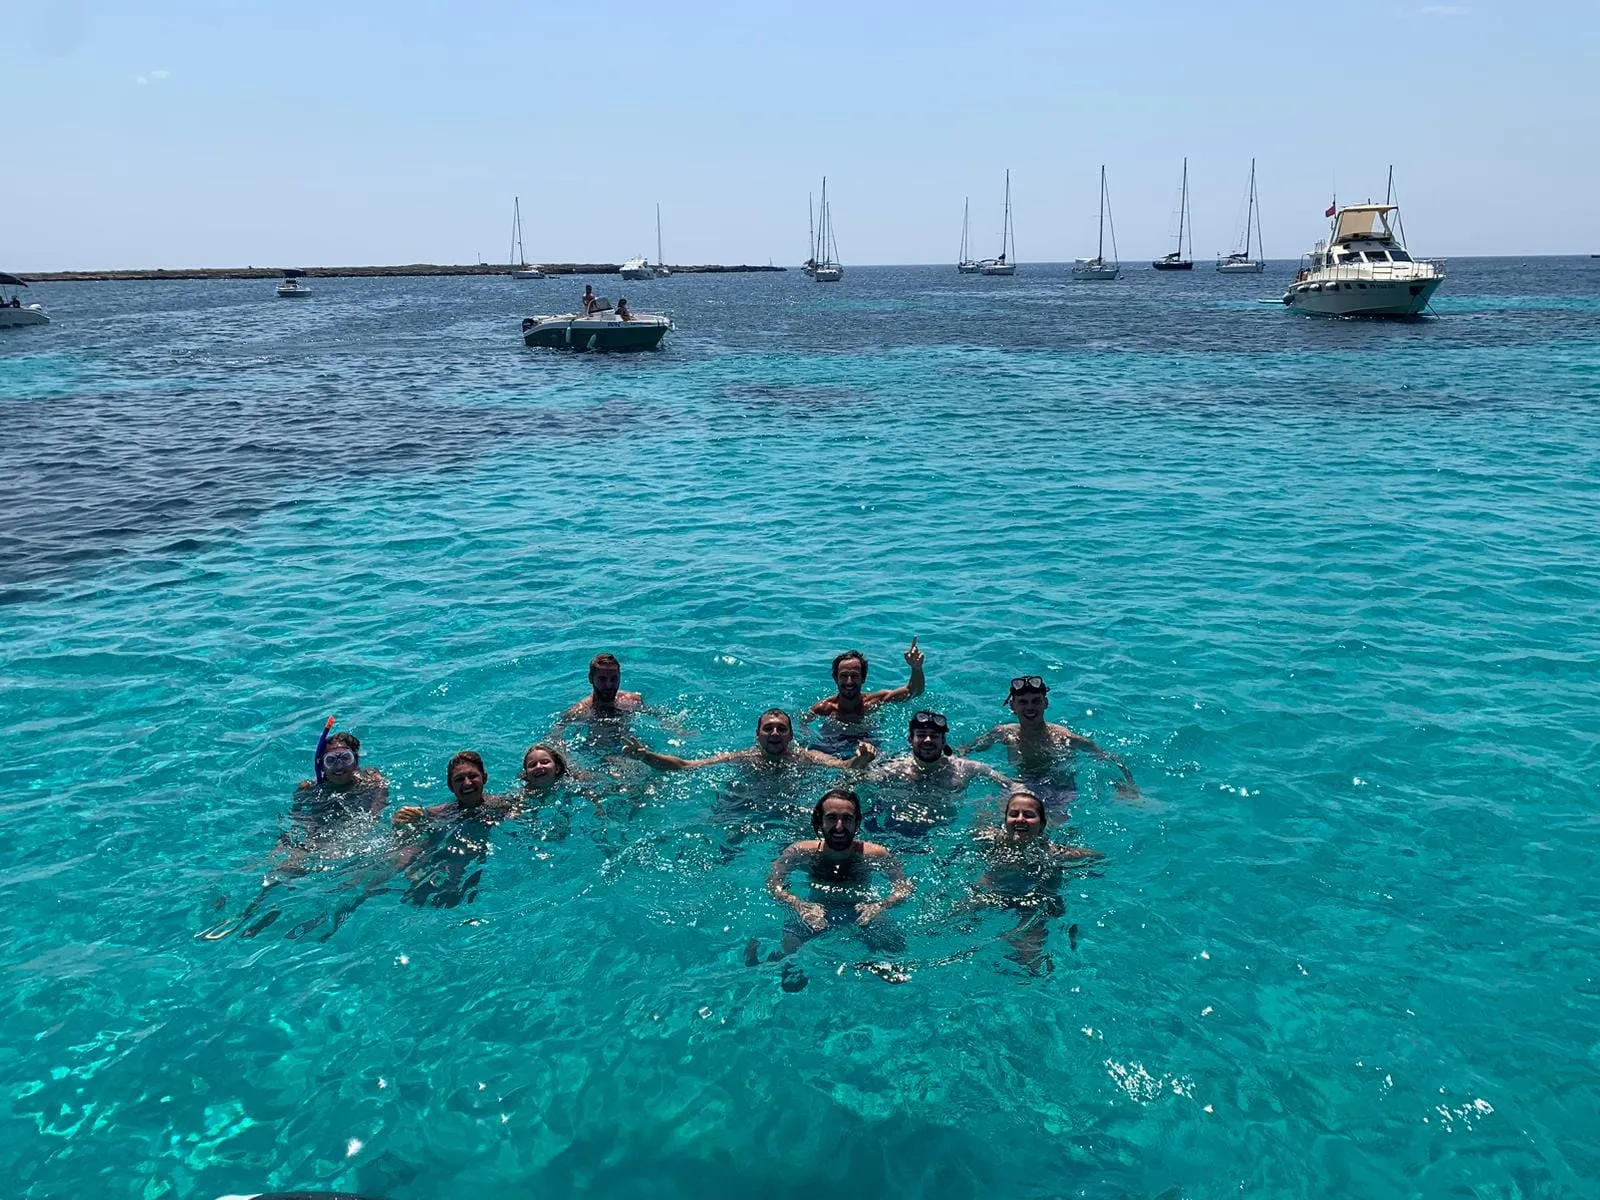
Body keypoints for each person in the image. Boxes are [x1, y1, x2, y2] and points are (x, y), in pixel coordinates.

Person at [198, 729, 389, 941]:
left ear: (356, 762)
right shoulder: (308, 788)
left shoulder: (373, 782)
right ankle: (246, 913)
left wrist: (347, 839)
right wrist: (302, 843)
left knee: (304, 873)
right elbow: (298, 820)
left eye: (346, 758)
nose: (340, 766)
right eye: (331, 760)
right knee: (278, 869)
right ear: (321, 765)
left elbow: (374, 814)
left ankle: (267, 916)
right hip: (312, 832)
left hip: (342, 834)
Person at [748, 788, 914, 990]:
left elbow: (903, 888)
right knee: (787, 965)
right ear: (820, 822)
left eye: (847, 818)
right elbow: (773, 883)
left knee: (895, 952)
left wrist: (880, 905)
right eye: (832, 818)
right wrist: (799, 905)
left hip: (860, 912)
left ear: (857, 822)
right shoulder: (800, 851)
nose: (839, 826)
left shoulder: (876, 854)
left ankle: (870, 966)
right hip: (815, 911)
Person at [962, 790, 1102, 972]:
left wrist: (1073, 869)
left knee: (1031, 965)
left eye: (1029, 815)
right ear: (1005, 822)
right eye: (1013, 814)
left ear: (1042, 825)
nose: (1020, 819)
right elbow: (976, 829)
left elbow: (1097, 857)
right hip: (994, 894)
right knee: (947, 922)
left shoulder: (1053, 853)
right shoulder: (993, 841)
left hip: (1036, 904)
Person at [957, 675, 1137, 808]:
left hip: (1058, 789)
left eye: (1036, 701)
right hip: (1019, 784)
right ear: (1013, 706)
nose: (1030, 707)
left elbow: (1108, 758)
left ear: (1045, 703)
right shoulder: (1003, 733)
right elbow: (970, 749)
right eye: (1023, 702)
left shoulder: (1064, 738)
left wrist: (1129, 787)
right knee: (985, 815)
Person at [865, 710, 1018, 837]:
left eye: (934, 736)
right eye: (921, 735)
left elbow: (1013, 786)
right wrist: (860, 763)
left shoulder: (965, 768)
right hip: (890, 829)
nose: (928, 740)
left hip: (942, 834)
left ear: (943, 741)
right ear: (910, 739)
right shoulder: (894, 770)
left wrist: (994, 816)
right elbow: (858, 782)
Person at [391, 751, 513, 908]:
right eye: (459, 779)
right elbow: (414, 822)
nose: (467, 783)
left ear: (485, 778)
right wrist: (403, 821)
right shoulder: (442, 812)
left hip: (472, 859)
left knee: (461, 898)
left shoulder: (502, 806)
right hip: (444, 853)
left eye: (473, 776)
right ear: (451, 787)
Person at [621, 709, 876, 774]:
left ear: (790, 735)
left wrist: (861, 759)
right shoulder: (743, 757)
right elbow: (687, 766)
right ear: (758, 735)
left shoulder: (806, 757)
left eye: (780, 729)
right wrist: (646, 756)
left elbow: (844, 767)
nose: (774, 733)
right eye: (768, 729)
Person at [806, 640, 926, 725]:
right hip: (832, 746)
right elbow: (802, 727)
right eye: (843, 676)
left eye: (854, 675)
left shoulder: (874, 702)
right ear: (835, 678)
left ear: (863, 678)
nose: (849, 681)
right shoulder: (823, 709)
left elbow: (914, 691)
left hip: (870, 745)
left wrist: (916, 668)